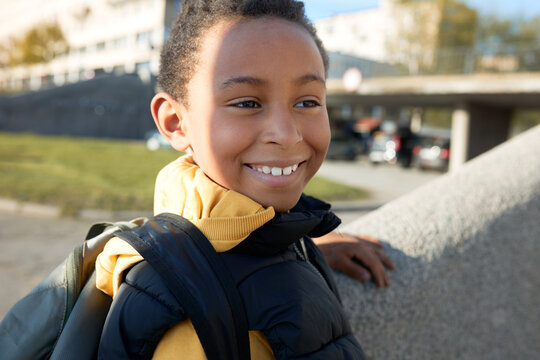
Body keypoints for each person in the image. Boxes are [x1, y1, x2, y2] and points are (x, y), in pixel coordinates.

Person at [95, 0, 394, 358]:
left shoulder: (262, 236)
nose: (286, 134)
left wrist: (298, 249)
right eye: (247, 103)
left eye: (307, 102)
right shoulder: (192, 329)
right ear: (175, 122)